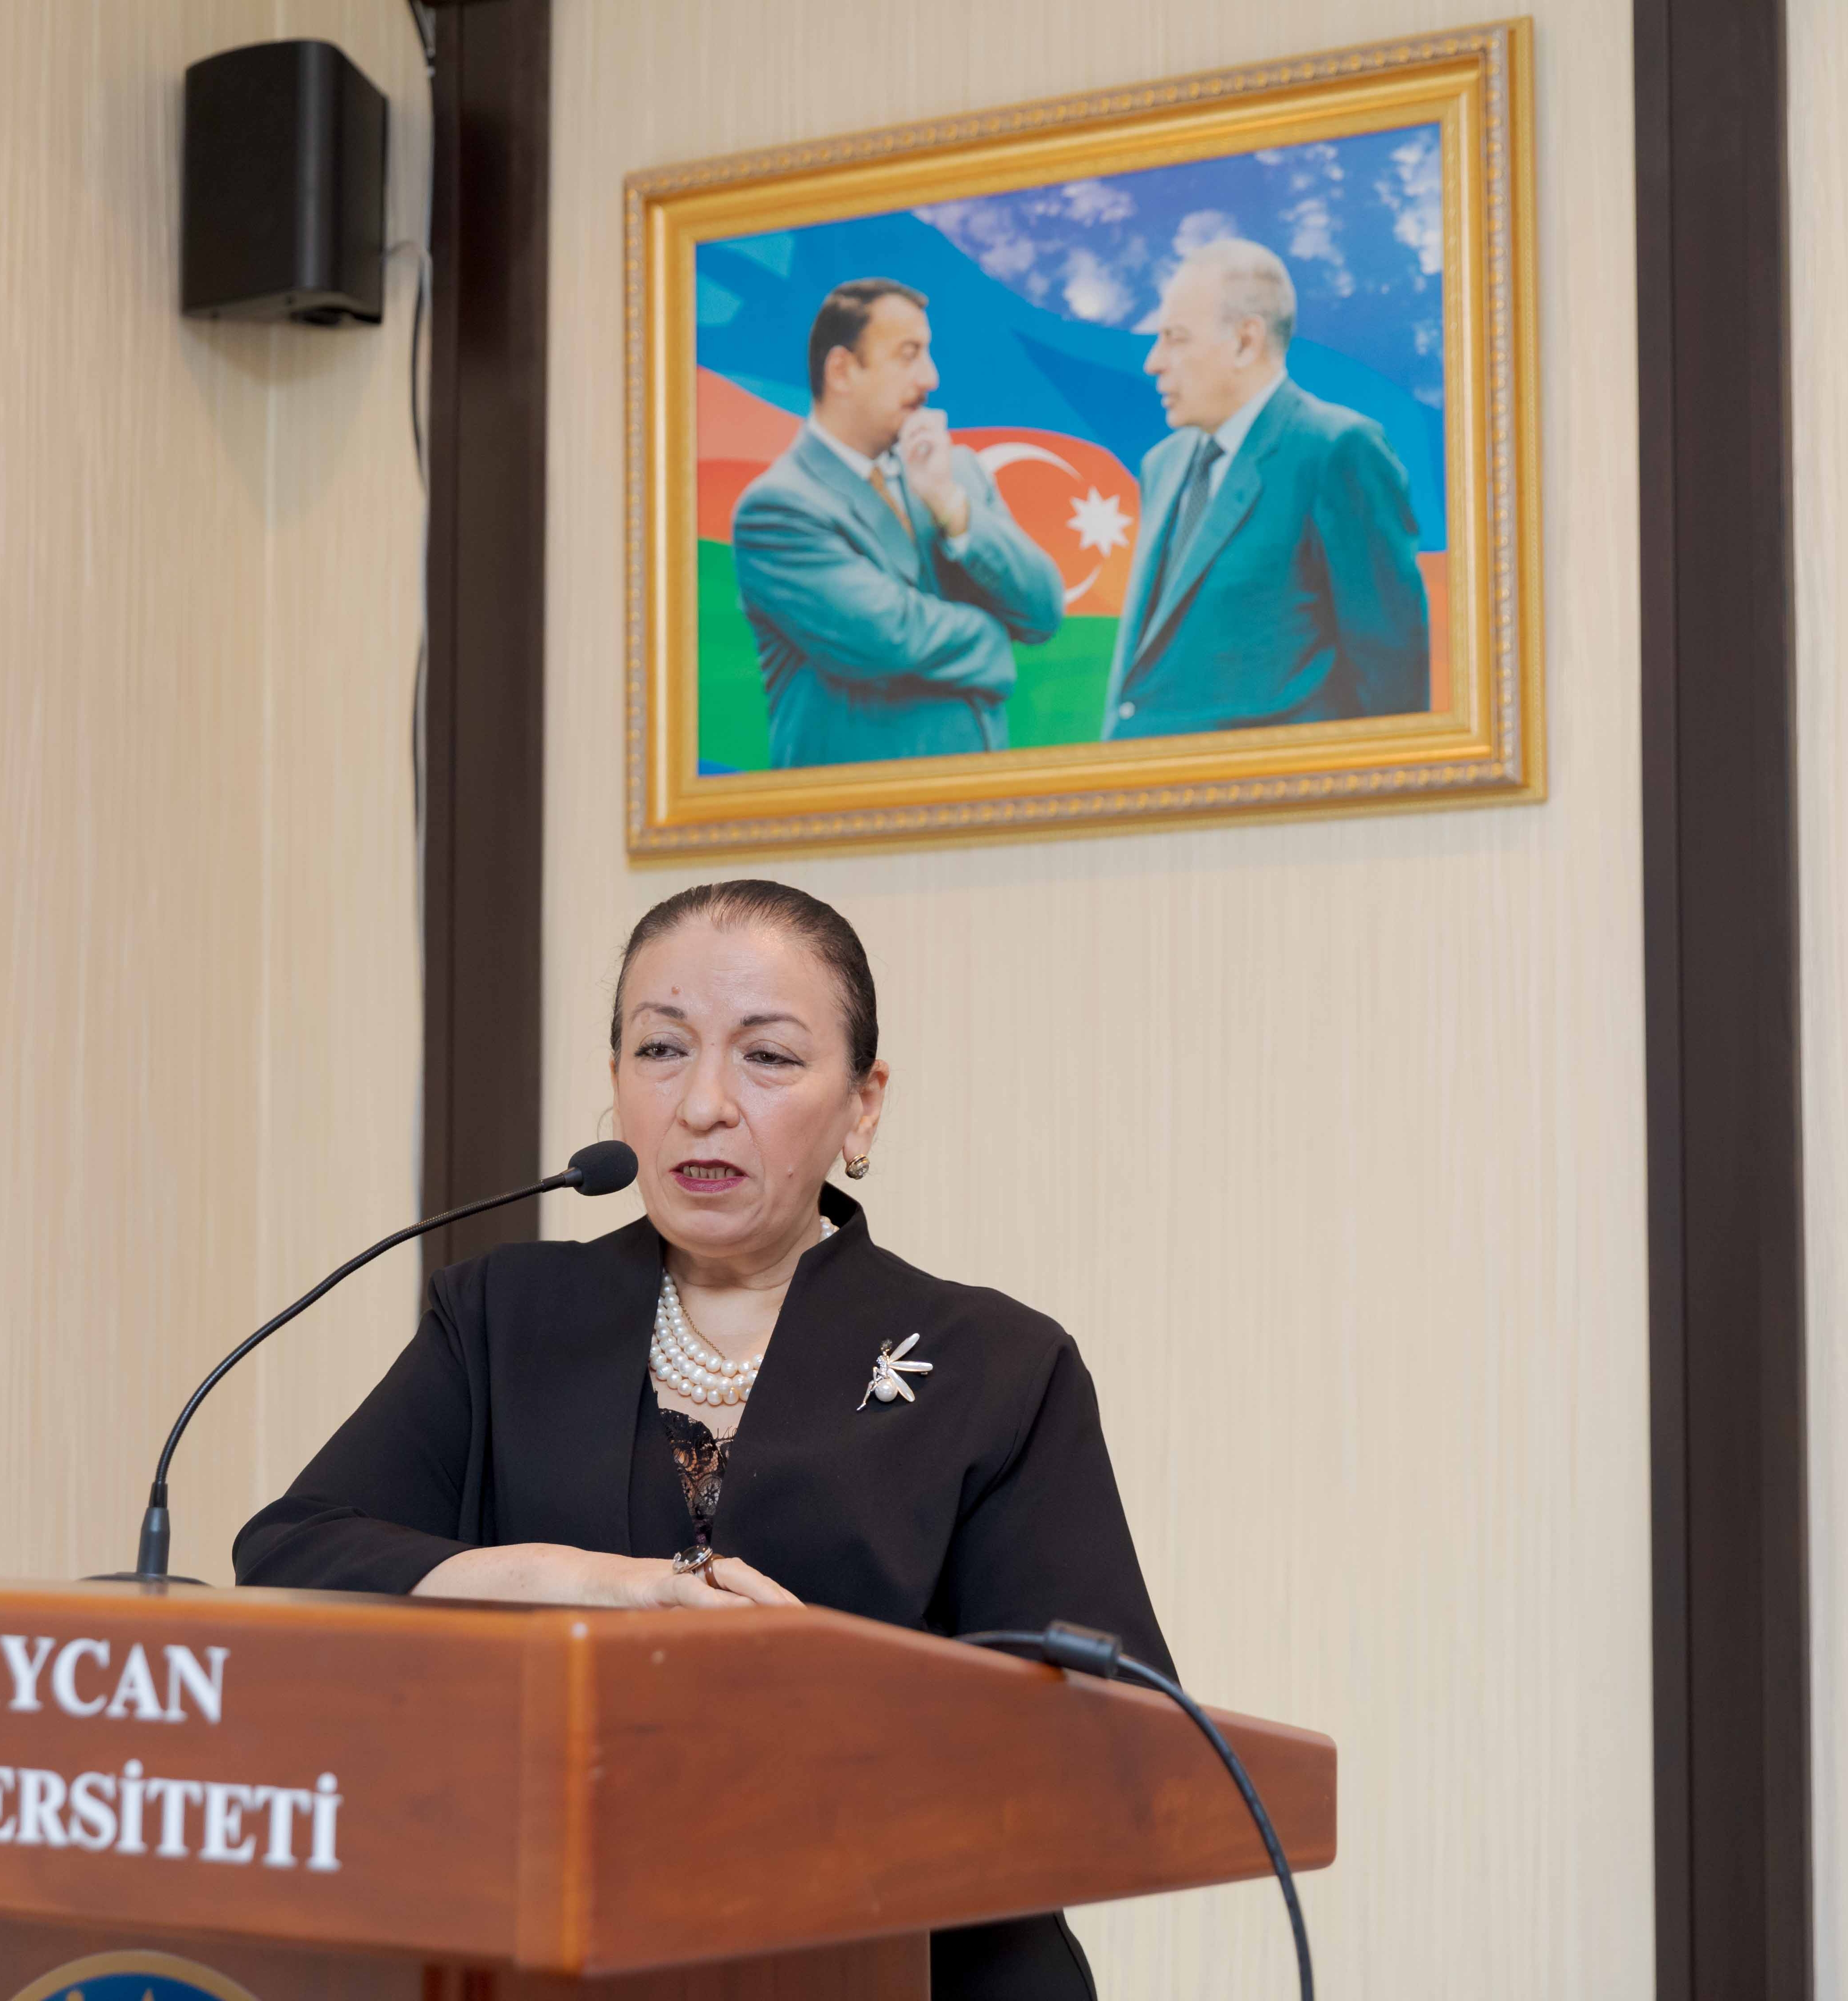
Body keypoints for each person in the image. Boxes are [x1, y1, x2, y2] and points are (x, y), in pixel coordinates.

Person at [237, 879, 1169, 2001]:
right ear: (617, 1082)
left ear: (863, 1106)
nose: (704, 1103)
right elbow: (293, 1553)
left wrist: (837, 1689)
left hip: (917, 1964)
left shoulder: (997, 1363)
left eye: (767, 1057)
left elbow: (1113, 1730)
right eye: (661, 1049)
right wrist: (598, 1587)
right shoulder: (503, 1317)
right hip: (558, 1954)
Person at [1102, 238, 1430, 739]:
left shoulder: (1336, 450)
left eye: (1176, 339)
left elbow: (1391, 678)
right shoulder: (1162, 466)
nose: (1153, 362)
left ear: (1246, 342)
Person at [731, 280, 1064, 768]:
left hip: (982, 801)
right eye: (909, 356)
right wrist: (994, 639)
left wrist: (951, 506)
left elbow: (1043, 611)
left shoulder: (957, 473)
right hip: (861, 811)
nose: (931, 378)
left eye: (928, 354)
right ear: (842, 371)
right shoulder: (778, 509)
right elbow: (889, 638)